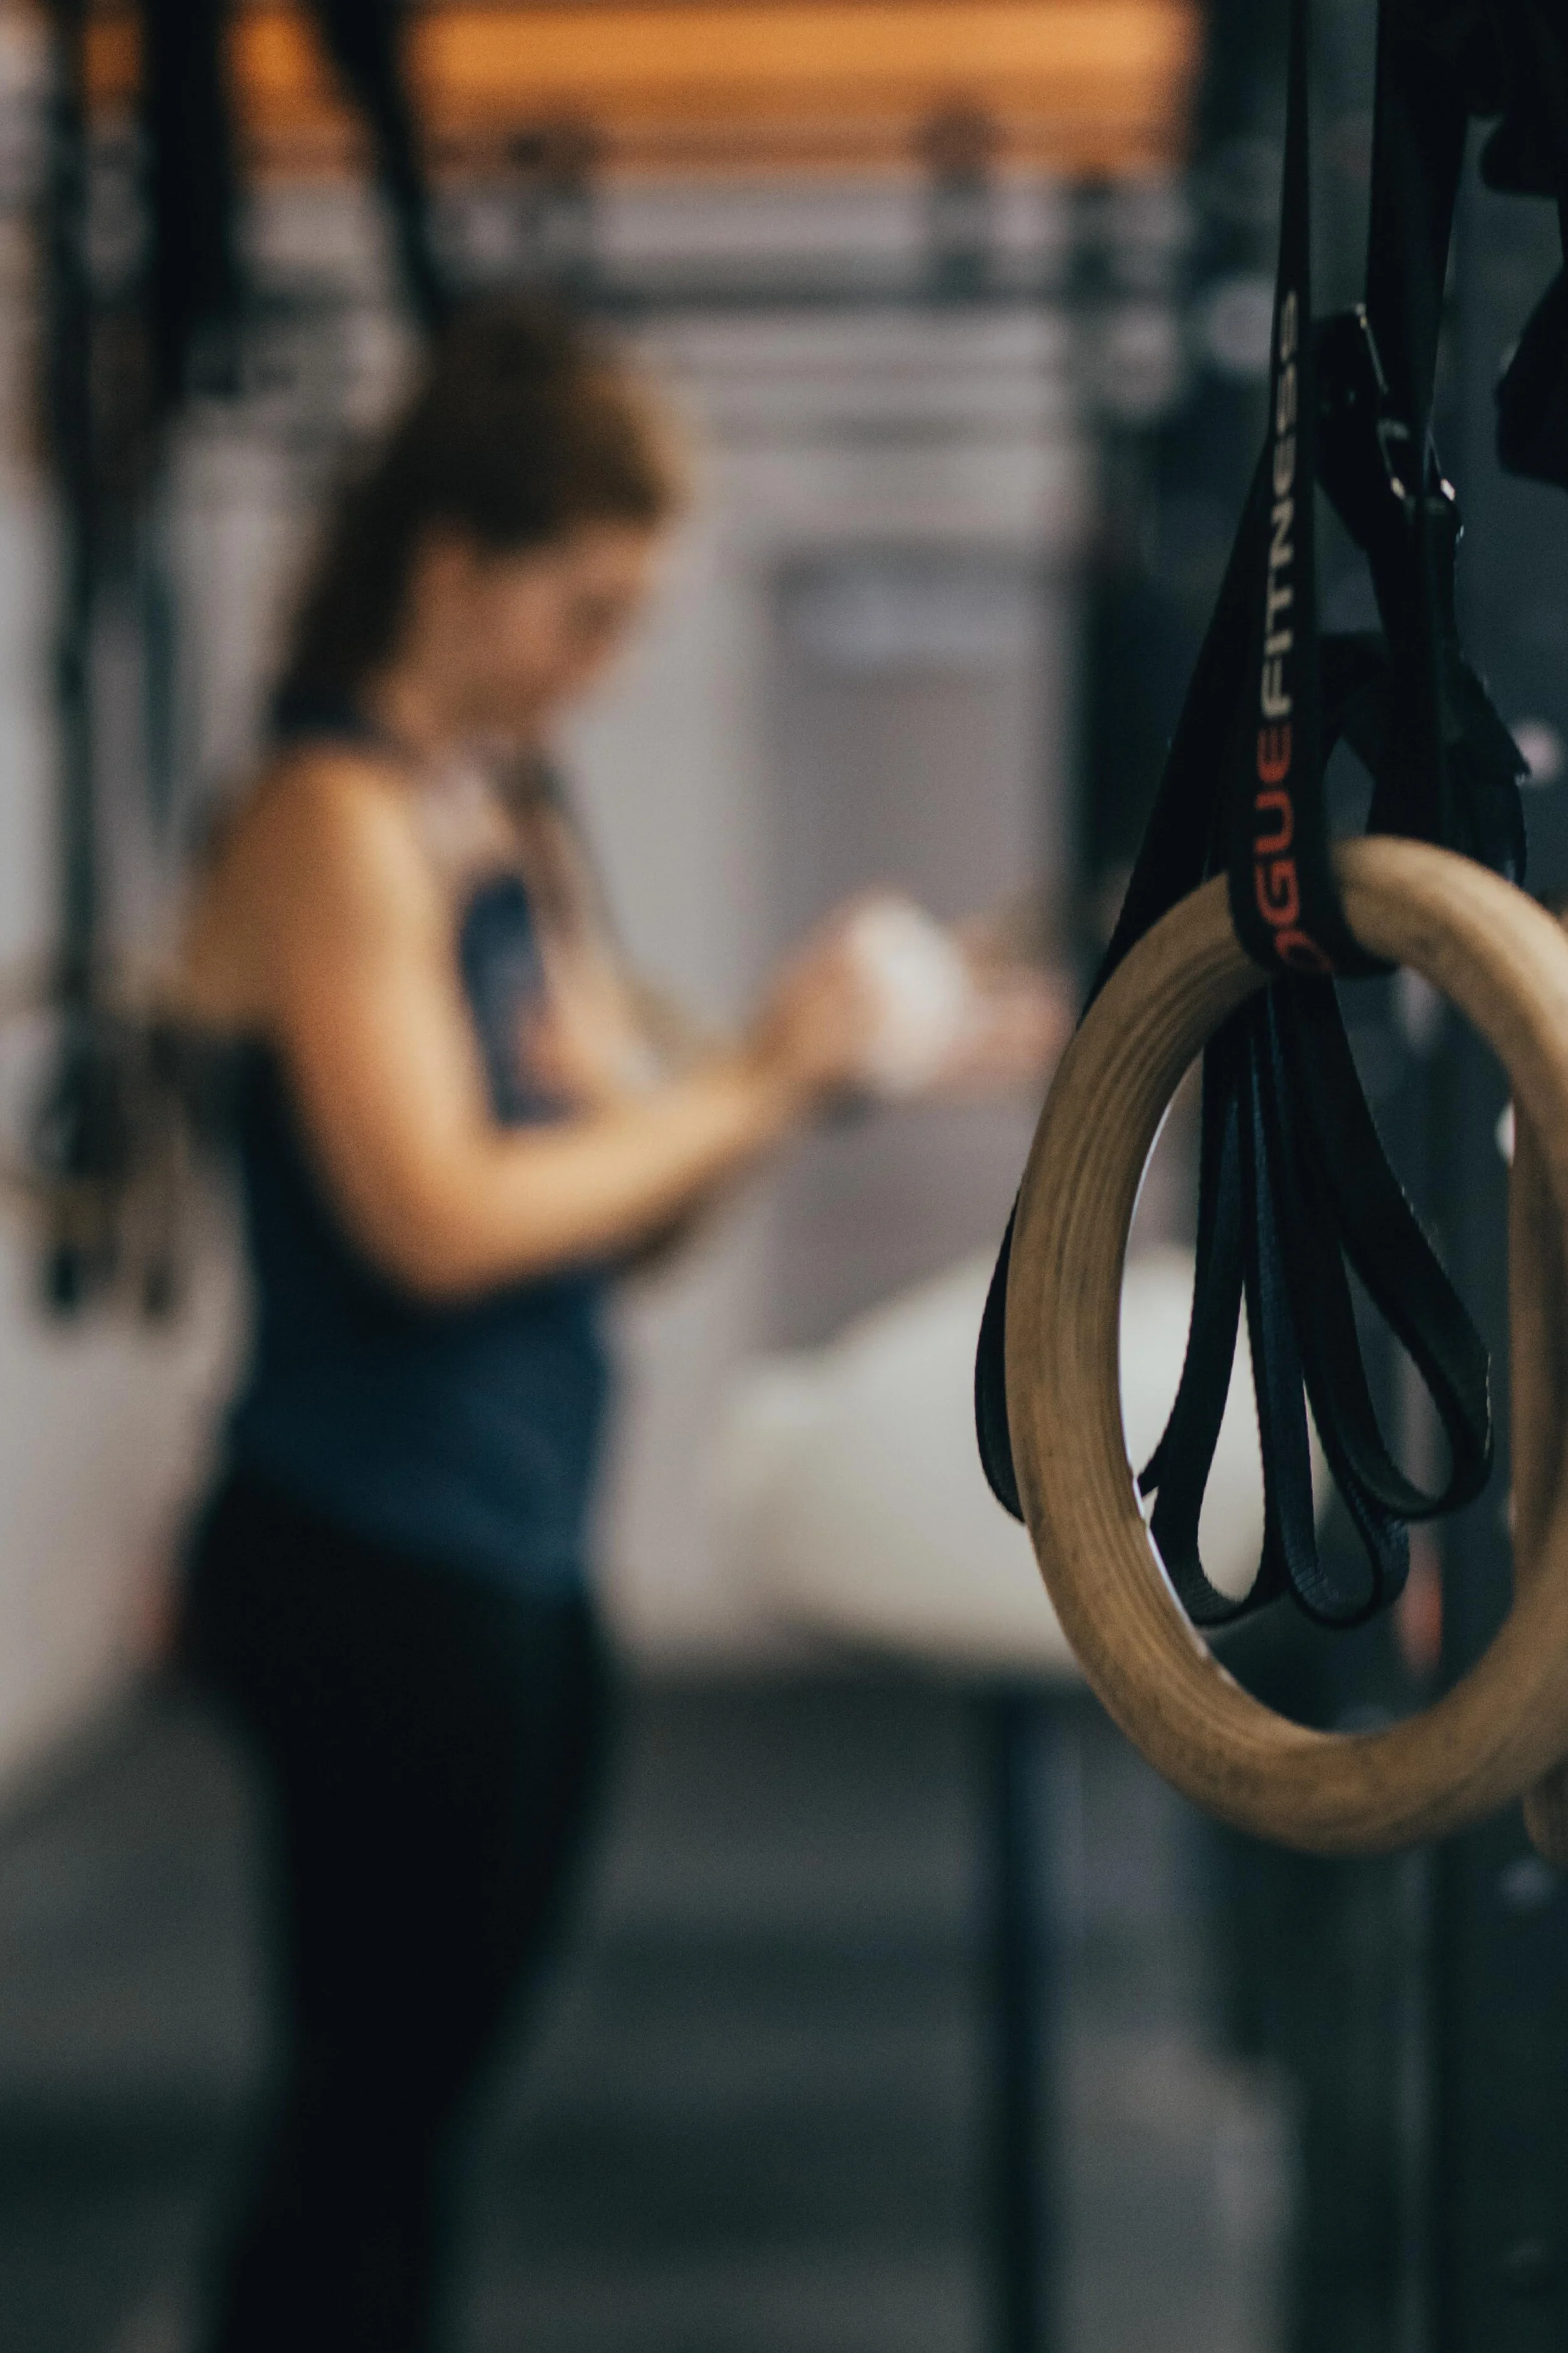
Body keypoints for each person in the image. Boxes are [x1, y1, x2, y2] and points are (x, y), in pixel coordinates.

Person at [173, 295, 1058, 2353]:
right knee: (365, 2118)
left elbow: (613, 1208)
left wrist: (812, 1060)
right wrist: (757, 1085)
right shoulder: (331, 820)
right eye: (581, 610)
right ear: (450, 566)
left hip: (504, 1537)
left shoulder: (505, 820)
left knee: (415, 2114)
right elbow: (439, 1216)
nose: (607, 662)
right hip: (368, 1548)